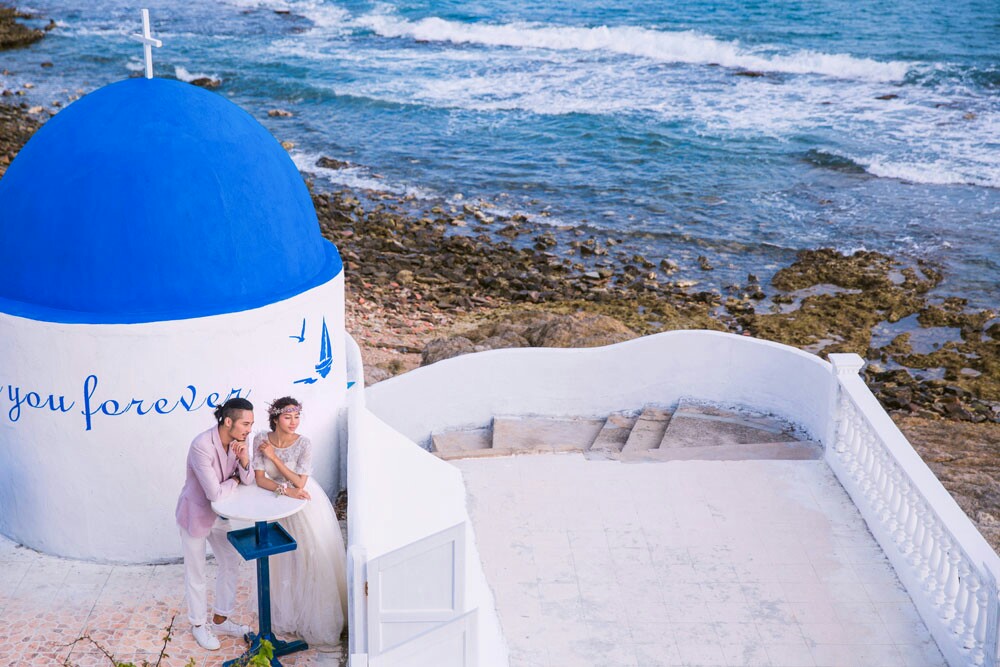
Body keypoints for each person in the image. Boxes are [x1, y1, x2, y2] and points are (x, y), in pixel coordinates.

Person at [253, 396, 347, 648]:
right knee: (281, 560)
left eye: (296, 417)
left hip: (304, 504)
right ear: (275, 418)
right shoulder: (261, 438)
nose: (293, 422)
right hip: (276, 502)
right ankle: (289, 611)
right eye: (287, 417)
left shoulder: (304, 443)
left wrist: (274, 458)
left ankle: (315, 615)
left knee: (309, 557)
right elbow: (260, 479)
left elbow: (300, 482)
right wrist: (285, 491)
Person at [175, 397, 256, 650]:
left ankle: (221, 619)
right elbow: (214, 493)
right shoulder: (201, 445)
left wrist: (243, 460)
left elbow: (249, 479)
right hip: (195, 513)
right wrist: (235, 480)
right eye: (245, 424)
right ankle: (198, 625)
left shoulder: (239, 441)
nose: (249, 430)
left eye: (251, 424)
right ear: (228, 421)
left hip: (220, 516)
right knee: (196, 571)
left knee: (230, 561)